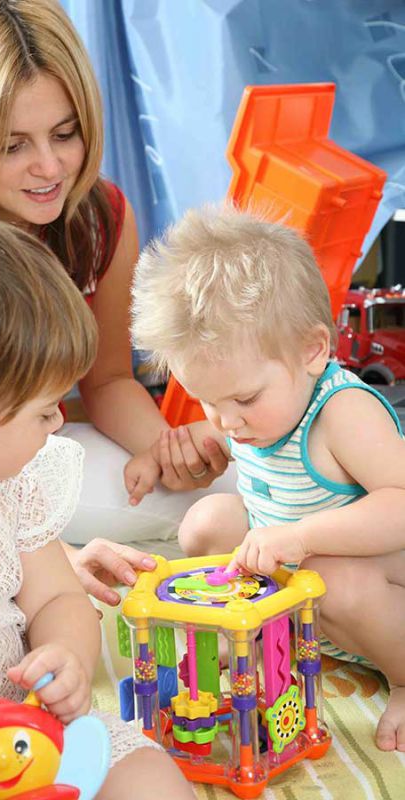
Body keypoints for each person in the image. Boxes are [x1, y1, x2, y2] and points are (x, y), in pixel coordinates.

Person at [0, 0, 236, 605]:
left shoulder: (99, 217)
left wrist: (163, 448)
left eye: (65, 134)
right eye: (13, 146)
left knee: (229, 492)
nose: (49, 167)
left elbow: (111, 378)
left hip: (41, 452)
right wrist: (51, 558)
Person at [0, 219, 196, 799]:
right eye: (44, 411)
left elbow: (56, 596)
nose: (58, 424)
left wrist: (67, 656)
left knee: (149, 781)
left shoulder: (12, 482)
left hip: (31, 732)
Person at [130, 203, 405, 753]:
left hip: (374, 586)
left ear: (312, 350)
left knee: (334, 577)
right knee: (207, 521)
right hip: (304, 587)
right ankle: (262, 629)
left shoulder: (342, 413)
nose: (229, 420)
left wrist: (301, 538)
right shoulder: (251, 411)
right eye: (209, 400)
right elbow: (225, 441)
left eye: (244, 399)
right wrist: (163, 455)